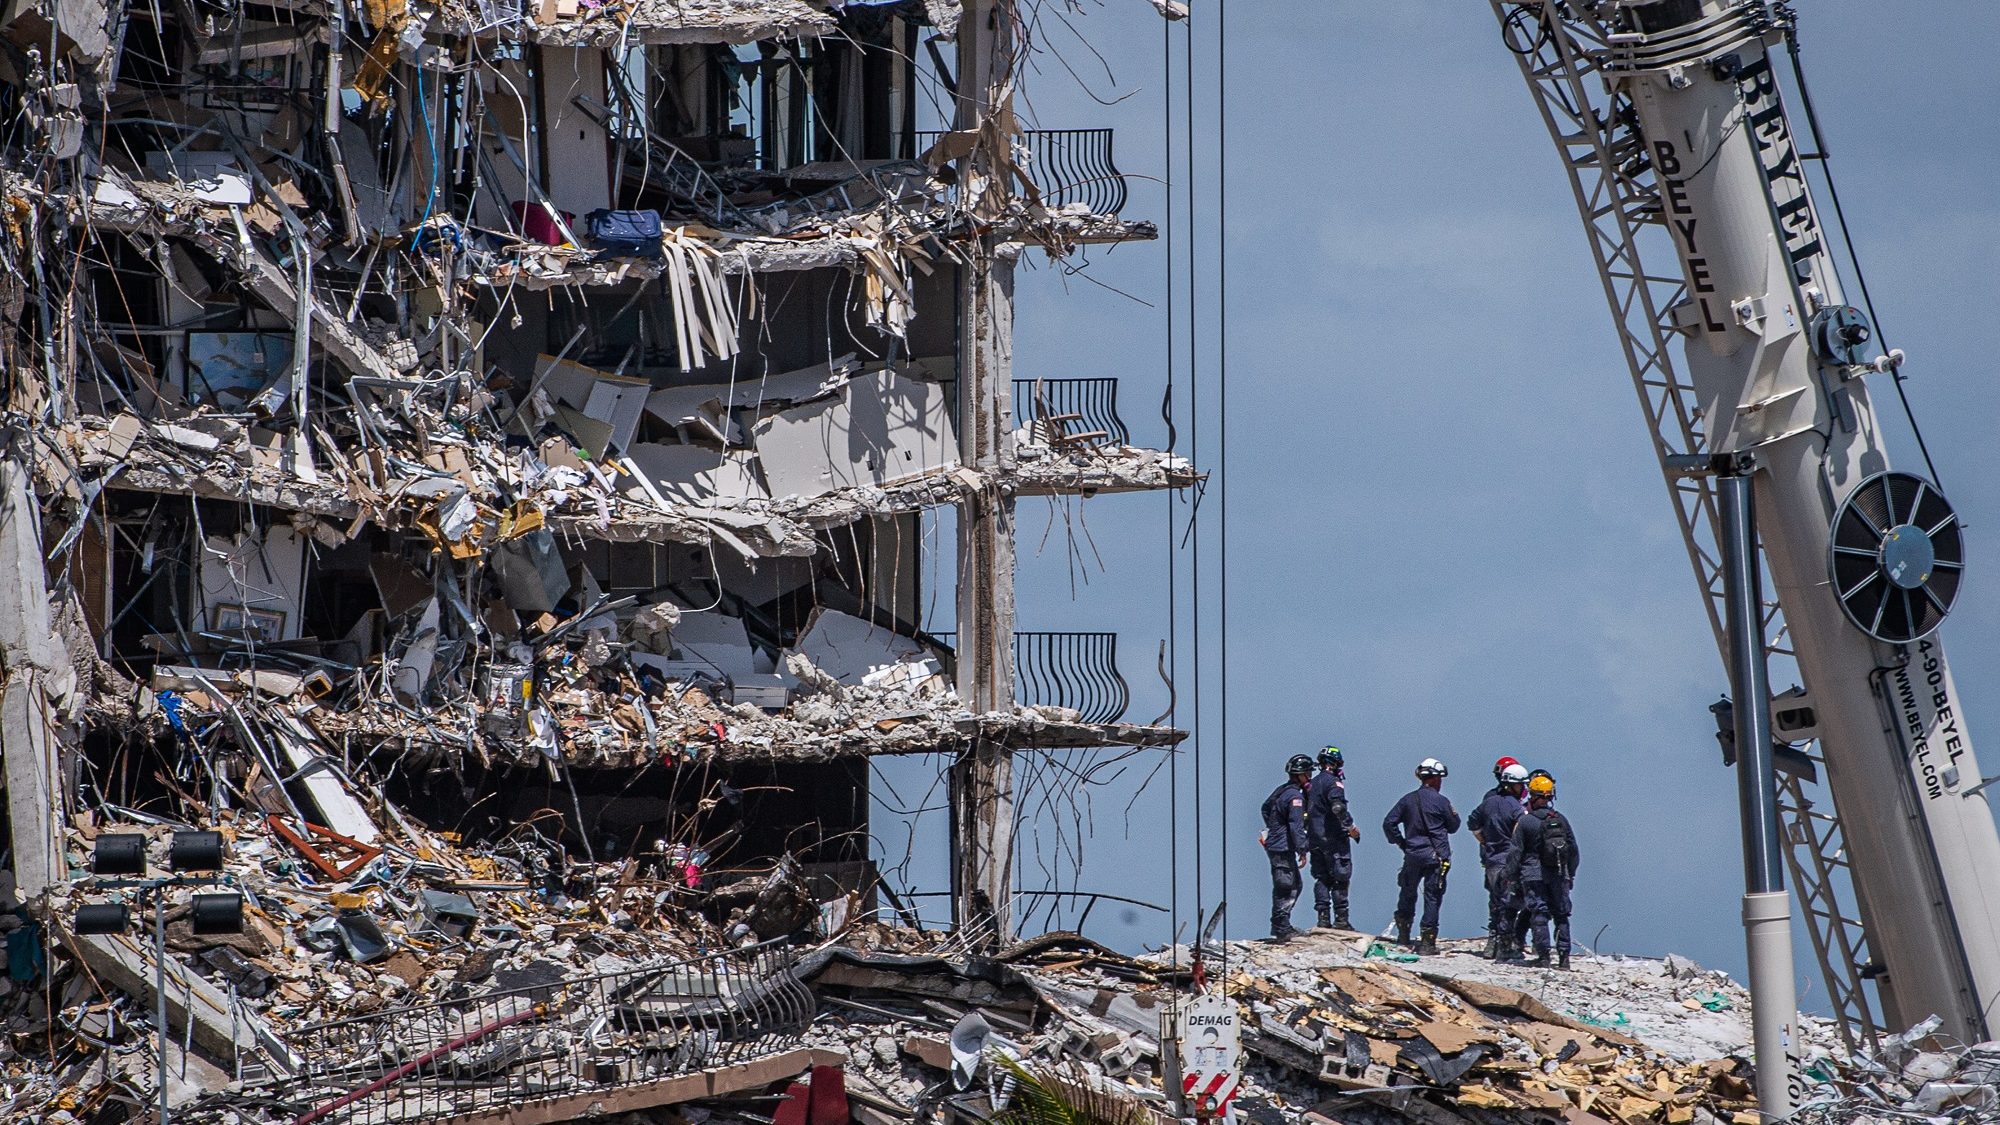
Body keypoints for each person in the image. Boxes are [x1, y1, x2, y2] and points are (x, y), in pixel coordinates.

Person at [1382, 758, 1460, 955]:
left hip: (1413, 855)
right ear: (1434, 779)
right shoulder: (1442, 802)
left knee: (1407, 894)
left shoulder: (1407, 799)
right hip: (1436, 857)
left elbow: (1389, 823)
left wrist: (1402, 844)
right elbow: (1454, 826)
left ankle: (1403, 937)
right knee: (1433, 897)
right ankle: (1427, 943)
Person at [1504, 772, 1582, 968]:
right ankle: (1564, 959)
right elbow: (1573, 851)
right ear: (1550, 796)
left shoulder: (1526, 822)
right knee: (1561, 915)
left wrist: (1510, 876)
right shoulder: (1561, 820)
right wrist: (1569, 874)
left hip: (1532, 875)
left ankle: (1544, 957)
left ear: (1532, 794)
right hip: (1558, 874)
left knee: (1539, 915)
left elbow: (1516, 852)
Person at [1469, 763, 1529, 958]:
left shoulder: (1489, 802)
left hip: (1491, 860)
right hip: (1509, 861)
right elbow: (1523, 827)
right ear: (1512, 785)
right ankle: (1505, 947)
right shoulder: (1514, 806)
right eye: (1521, 785)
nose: (1523, 789)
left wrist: (1485, 842)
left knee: (1495, 902)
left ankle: (1492, 943)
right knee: (1509, 903)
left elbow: (1472, 823)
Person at [1259, 754, 1315, 941]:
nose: (1310, 776)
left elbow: (1265, 808)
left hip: (1277, 844)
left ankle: (1282, 924)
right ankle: (1281, 927)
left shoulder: (1282, 790)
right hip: (1283, 847)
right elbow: (1296, 825)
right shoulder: (1295, 797)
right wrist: (1302, 849)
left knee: (1293, 884)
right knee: (1287, 886)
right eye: (1308, 773)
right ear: (1301, 774)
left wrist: (1274, 827)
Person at [1306, 746, 1361, 929]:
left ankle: (1323, 919)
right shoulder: (1334, 783)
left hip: (1314, 839)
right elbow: (1338, 807)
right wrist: (1351, 827)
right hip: (1334, 839)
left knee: (1321, 878)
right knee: (1340, 878)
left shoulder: (1311, 784)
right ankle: (1341, 920)